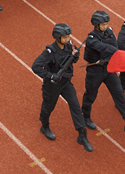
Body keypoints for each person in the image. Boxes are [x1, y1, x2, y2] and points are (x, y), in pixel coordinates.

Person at [31, 23, 94, 152]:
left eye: (68, 36)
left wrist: (75, 56)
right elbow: (35, 66)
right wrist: (50, 76)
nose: (68, 39)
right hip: (52, 85)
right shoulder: (49, 52)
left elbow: (71, 61)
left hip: (65, 83)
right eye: (65, 37)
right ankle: (44, 126)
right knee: (48, 107)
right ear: (57, 37)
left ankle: (82, 135)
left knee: (75, 105)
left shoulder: (69, 46)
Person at [81, 11, 125, 138]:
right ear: (96, 25)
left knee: (119, 94)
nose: (106, 26)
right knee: (90, 95)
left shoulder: (110, 33)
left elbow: (114, 46)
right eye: (103, 24)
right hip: (95, 71)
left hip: (108, 69)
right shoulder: (91, 38)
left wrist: (116, 54)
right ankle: (85, 116)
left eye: (106, 24)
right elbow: (103, 47)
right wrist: (118, 52)